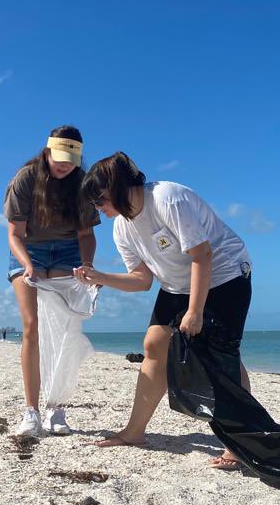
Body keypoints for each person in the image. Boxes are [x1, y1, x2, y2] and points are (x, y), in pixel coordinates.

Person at [75, 152, 253, 470]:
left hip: (225, 274)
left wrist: (195, 311)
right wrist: (99, 277)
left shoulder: (166, 199)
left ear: (116, 187)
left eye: (98, 198)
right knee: (154, 344)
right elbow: (142, 281)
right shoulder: (121, 229)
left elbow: (202, 255)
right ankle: (134, 431)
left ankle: (238, 444)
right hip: (177, 285)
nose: (97, 208)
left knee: (222, 356)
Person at [4, 125, 100, 436]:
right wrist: (28, 264)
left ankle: (56, 408)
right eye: (59, 158)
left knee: (64, 331)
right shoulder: (26, 179)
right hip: (28, 249)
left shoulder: (82, 186)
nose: (64, 165)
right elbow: (14, 235)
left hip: (68, 251)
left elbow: (87, 235)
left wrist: (87, 266)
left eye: (71, 161)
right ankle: (31, 411)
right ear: (47, 152)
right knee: (32, 326)